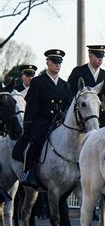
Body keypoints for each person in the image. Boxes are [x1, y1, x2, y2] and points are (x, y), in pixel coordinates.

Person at [17, 49, 72, 189]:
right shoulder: (38, 82)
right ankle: (30, 173)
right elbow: (32, 105)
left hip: (59, 124)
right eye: (54, 62)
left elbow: (68, 105)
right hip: (42, 122)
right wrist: (28, 125)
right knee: (35, 143)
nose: (57, 65)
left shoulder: (64, 85)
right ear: (47, 62)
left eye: (59, 62)